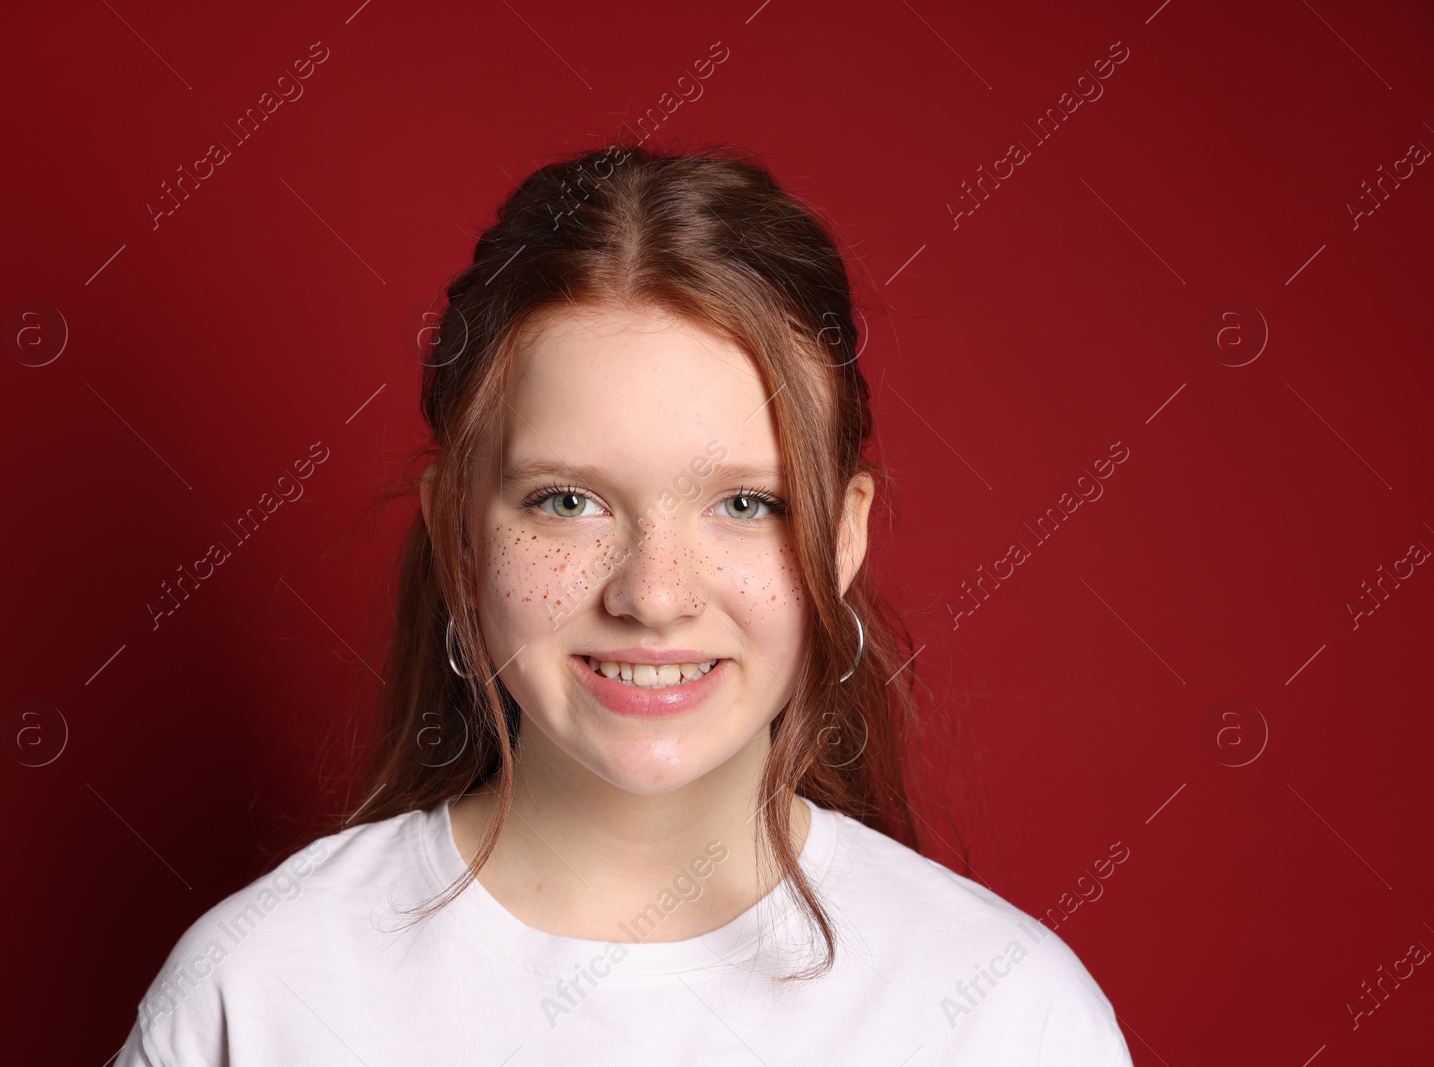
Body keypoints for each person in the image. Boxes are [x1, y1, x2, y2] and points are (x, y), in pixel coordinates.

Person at [113, 142, 1133, 1065]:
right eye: (567, 500)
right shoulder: (257, 993)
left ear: (842, 536)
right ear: (458, 531)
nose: (651, 594)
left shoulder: (1007, 1018)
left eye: (745, 502)